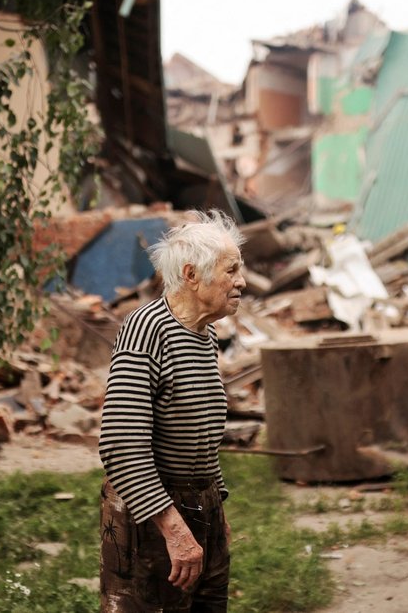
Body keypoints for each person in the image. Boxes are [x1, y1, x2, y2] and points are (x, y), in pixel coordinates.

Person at [98, 209, 246, 613]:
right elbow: (120, 445)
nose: (242, 282)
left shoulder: (204, 333)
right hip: (152, 519)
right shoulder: (146, 330)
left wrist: (216, 508)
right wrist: (174, 528)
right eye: (231, 270)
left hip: (200, 507)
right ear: (192, 275)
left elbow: (202, 433)